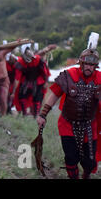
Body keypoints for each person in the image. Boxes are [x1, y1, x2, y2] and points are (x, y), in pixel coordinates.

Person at [37, 47, 101, 179]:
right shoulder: (69, 75)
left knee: (89, 161)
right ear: (81, 63)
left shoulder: (100, 78)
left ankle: (86, 175)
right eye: (87, 64)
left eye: (92, 65)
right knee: (71, 157)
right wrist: (43, 114)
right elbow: (54, 95)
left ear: (95, 66)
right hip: (68, 125)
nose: (89, 67)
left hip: (90, 126)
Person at [12, 44, 53, 117]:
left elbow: (45, 72)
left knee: (37, 97)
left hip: (38, 80)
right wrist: (14, 91)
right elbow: (17, 78)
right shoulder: (20, 63)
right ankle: (24, 113)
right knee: (21, 95)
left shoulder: (38, 59)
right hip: (26, 80)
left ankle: (36, 114)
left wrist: (46, 82)